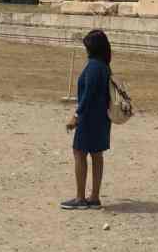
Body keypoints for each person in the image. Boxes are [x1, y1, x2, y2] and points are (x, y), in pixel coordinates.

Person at [61, 29, 112, 210]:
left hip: (89, 117)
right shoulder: (105, 66)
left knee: (79, 152)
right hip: (102, 117)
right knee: (97, 155)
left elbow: (88, 94)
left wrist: (76, 116)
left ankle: (80, 198)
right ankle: (95, 196)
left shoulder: (93, 66)